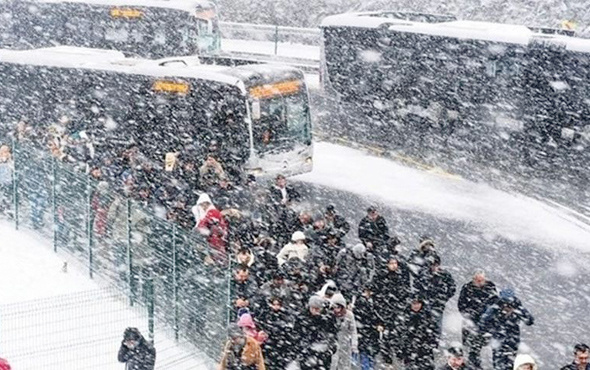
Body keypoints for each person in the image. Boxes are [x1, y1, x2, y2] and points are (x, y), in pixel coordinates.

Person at [479, 288, 534, 370]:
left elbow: (529, 320)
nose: (506, 305)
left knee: (509, 364)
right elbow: (483, 321)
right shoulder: (495, 307)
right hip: (498, 341)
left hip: (511, 341)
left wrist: (516, 310)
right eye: (504, 302)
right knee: (499, 364)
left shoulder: (517, 307)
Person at [458, 270, 498, 369]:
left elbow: (495, 304)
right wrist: (470, 314)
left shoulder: (490, 287)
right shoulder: (467, 288)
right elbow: (461, 305)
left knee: (482, 346)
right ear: (473, 279)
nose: (479, 282)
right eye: (477, 280)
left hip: (485, 323)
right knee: (470, 348)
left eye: (481, 280)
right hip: (470, 322)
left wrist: (486, 316)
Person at [415, 254, 456, 347]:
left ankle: (434, 343)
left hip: (437, 304)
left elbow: (452, 287)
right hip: (425, 303)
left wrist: (444, 298)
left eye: (436, 265)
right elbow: (417, 286)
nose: (434, 267)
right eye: (432, 265)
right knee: (424, 323)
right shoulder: (424, 274)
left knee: (436, 325)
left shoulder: (444, 274)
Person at [295, 295, 338, 370]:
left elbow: (333, 336)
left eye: (317, 309)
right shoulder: (302, 318)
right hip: (307, 354)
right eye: (313, 308)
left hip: (323, 354)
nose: (315, 311)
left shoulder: (328, 319)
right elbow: (297, 335)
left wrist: (330, 350)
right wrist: (301, 349)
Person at [257, 297, 295, 370]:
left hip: (280, 343)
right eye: (274, 304)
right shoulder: (266, 314)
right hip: (270, 343)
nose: (276, 307)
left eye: (278, 304)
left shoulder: (285, 315)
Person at [401, 296, 438, 370]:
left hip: (425, 351)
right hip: (410, 351)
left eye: (418, 303)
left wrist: (430, 344)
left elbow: (433, 332)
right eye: (414, 303)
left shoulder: (428, 316)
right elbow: (401, 334)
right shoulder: (405, 316)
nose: (416, 306)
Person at [192, 193, 228, 262]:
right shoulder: (210, 212)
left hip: (215, 240)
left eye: (204, 204)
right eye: (201, 205)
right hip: (214, 240)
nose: (203, 207)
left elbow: (203, 224)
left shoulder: (213, 212)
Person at [353, 285, 381, 370]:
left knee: (369, 358)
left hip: (370, 335)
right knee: (366, 359)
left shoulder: (375, 301)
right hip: (365, 334)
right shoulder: (361, 302)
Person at [330, 293, 359, 370]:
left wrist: (354, 344)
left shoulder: (349, 315)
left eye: (338, 307)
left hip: (345, 345)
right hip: (333, 345)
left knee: (345, 366)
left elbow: (353, 331)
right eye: (334, 307)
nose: (336, 310)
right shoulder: (329, 316)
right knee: (332, 365)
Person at [0, 145, 13, 216]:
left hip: (7, 181)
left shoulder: (10, 161)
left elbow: (12, 168)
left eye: (7, 151)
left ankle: (7, 208)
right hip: (2, 180)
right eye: (4, 151)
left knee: (7, 195)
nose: (6, 153)